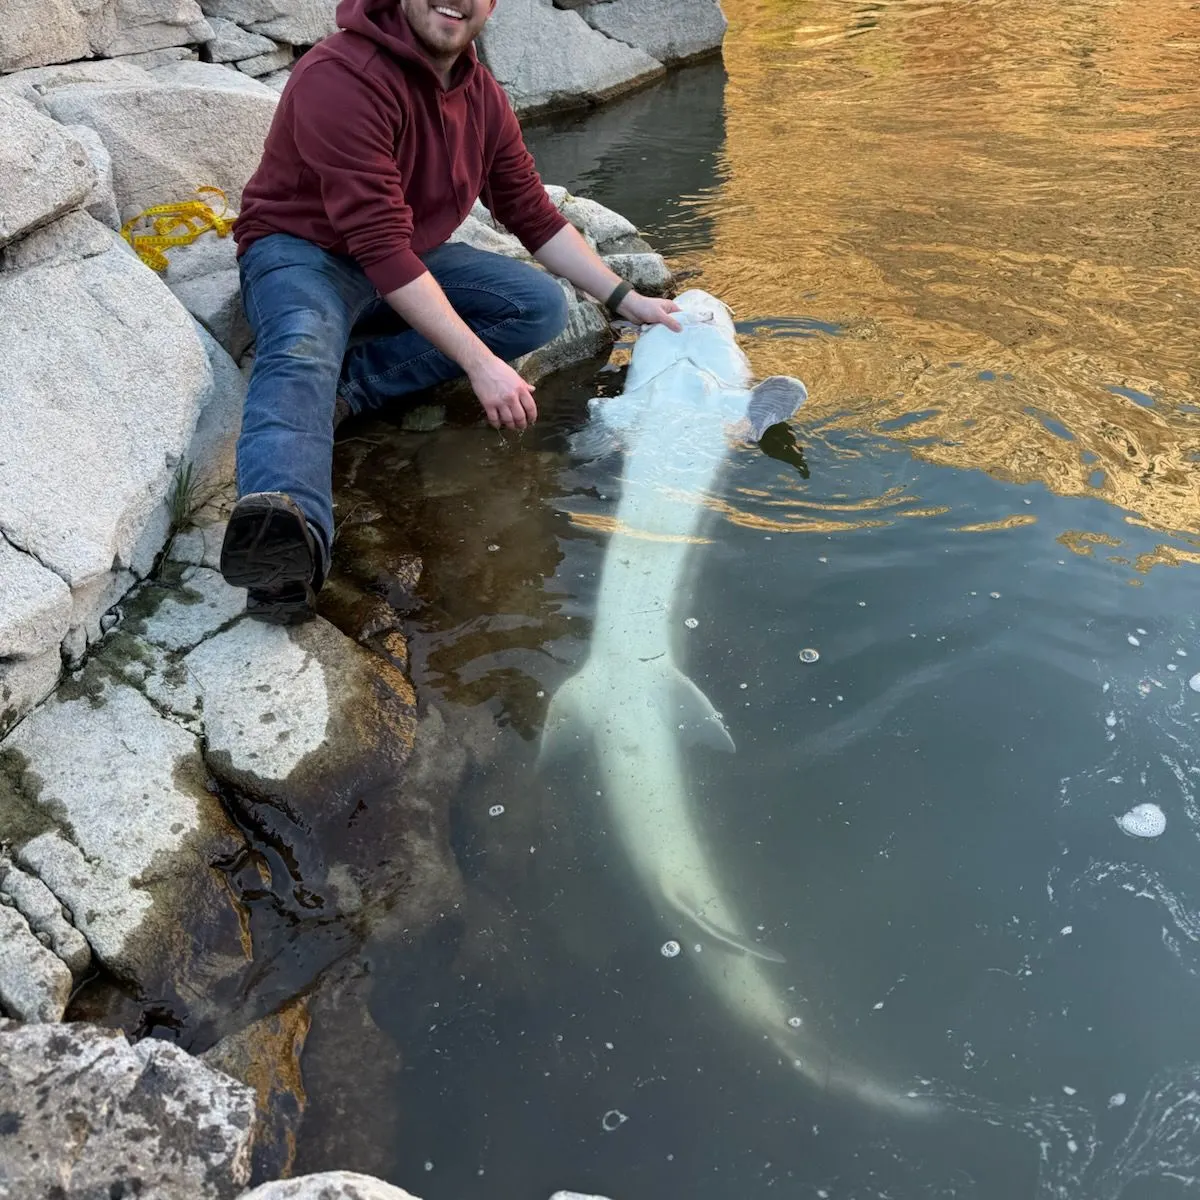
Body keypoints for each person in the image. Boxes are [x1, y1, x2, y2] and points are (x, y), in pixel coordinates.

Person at [220, 0, 683, 623]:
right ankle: (287, 547)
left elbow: (531, 212)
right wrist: (480, 362)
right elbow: (377, 244)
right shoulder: (339, 76)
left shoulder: (479, 92)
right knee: (302, 347)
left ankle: (352, 386)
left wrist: (625, 298)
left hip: (406, 257)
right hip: (304, 251)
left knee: (538, 304)